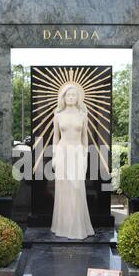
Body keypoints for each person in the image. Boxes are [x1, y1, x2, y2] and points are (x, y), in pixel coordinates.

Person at [50, 83, 95, 239]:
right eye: (68, 95)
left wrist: (85, 156)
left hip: (77, 154)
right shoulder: (58, 115)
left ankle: (77, 227)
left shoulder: (83, 115)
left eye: (73, 95)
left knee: (77, 189)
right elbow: (55, 137)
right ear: (63, 97)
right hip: (62, 153)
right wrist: (54, 156)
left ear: (78, 98)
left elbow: (85, 138)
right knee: (63, 191)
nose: (70, 97)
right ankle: (62, 226)